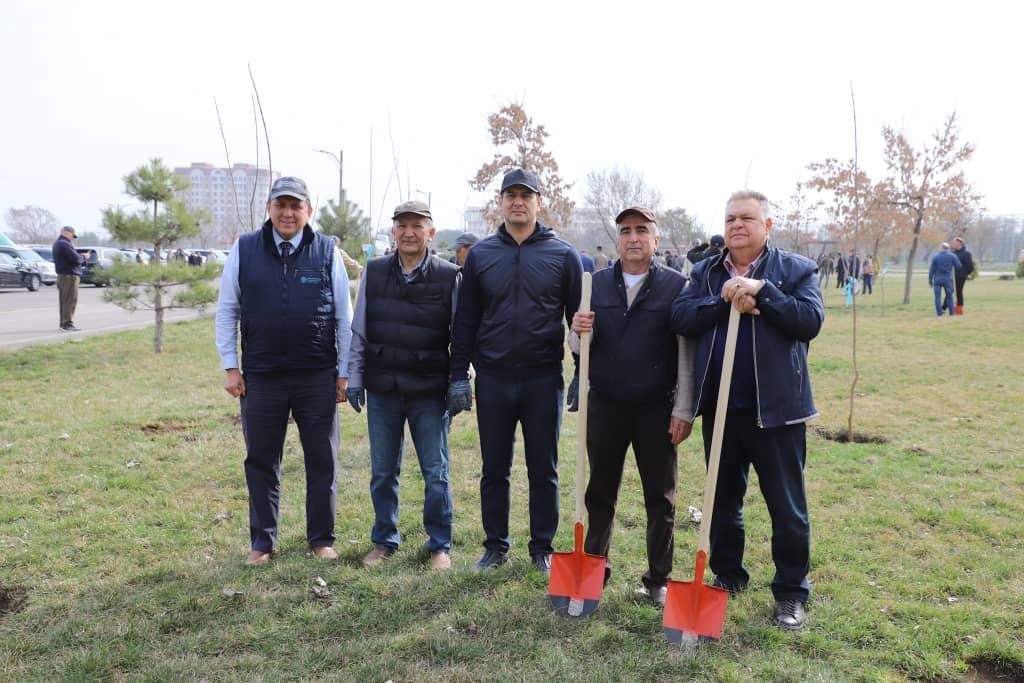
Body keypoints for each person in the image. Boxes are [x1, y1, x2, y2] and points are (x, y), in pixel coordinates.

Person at [671, 190, 824, 631]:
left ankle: (791, 592)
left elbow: (809, 320)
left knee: (787, 508)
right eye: (731, 218)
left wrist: (763, 292)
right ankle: (728, 576)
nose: (737, 225)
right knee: (722, 503)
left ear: (767, 225)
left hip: (777, 412)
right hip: (722, 410)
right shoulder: (704, 271)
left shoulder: (796, 270)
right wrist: (722, 300)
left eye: (747, 218)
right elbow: (681, 318)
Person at [448, 167, 583, 576]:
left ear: (539, 202)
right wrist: (458, 373)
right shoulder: (482, 256)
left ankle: (542, 547)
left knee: (544, 468)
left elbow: (579, 320)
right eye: (511, 195)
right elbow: (466, 320)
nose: (518, 201)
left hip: (543, 379)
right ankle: (495, 546)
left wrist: (581, 372)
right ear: (501, 202)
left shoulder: (563, 256)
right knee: (495, 468)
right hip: (493, 378)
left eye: (526, 195)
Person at [215, 176, 352, 566]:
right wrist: (231, 366)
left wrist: (343, 373)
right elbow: (227, 309)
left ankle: (321, 539)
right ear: (269, 209)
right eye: (281, 205)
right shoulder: (244, 250)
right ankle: (263, 542)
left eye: (296, 206)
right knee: (261, 461)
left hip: (316, 376)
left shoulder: (327, 252)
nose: (288, 213)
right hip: (262, 377)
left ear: (309, 211)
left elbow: (345, 316)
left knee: (322, 460)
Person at [569, 206, 694, 608]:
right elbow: (577, 348)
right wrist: (576, 332)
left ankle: (658, 578)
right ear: (618, 239)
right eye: (625, 231)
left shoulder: (677, 287)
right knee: (600, 492)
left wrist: (684, 409)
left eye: (642, 230)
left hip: (656, 408)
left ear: (656, 240)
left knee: (661, 497)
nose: (633, 237)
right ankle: (594, 567)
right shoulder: (595, 284)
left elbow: (686, 353)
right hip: (605, 404)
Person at [345, 200, 459, 572]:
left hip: (429, 392)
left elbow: (459, 337)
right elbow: (359, 329)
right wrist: (355, 378)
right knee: (382, 471)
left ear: (431, 232)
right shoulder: (375, 273)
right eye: (402, 225)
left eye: (417, 225)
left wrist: (460, 380)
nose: (409, 232)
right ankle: (384, 539)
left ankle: (439, 543)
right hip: (384, 389)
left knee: (435, 472)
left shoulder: (448, 275)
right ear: (393, 231)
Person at [52, 225, 84, 331]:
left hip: (63, 276)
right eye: (72, 236)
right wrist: (84, 257)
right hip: (69, 276)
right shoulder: (64, 244)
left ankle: (63, 323)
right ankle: (67, 324)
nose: (73, 238)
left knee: (64, 301)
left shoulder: (58, 243)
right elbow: (75, 259)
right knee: (70, 300)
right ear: (67, 233)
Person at [928, 242, 961, 317]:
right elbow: (959, 266)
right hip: (947, 279)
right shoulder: (952, 256)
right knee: (949, 296)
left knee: (937, 297)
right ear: (948, 248)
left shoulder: (935, 257)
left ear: (941, 248)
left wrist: (930, 280)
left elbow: (931, 270)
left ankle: (939, 313)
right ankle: (951, 313)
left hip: (937, 279)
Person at [951, 237, 974, 314]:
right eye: (953, 243)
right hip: (952, 276)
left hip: (960, 276)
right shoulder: (953, 253)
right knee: (950, 291)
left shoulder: (966, 253)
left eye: (954, 243)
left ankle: (959, 309)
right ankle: (946, 307)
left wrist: (967, 273)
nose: (953, 244)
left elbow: (970, 266)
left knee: (958, 292)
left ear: (959, 243)